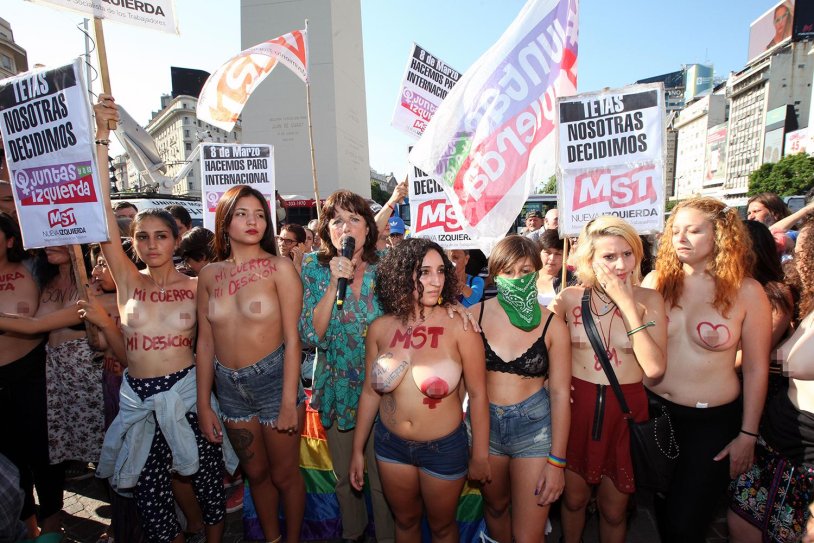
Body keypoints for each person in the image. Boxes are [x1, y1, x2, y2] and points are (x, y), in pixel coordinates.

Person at [92, 95, 236, 543]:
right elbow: (99, 210)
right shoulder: (127, 283)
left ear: (177, 240)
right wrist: (102, 135)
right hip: (137, 401)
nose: (152, 244)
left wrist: (210, 403)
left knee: (208, 484)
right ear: (132, 243)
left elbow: (213, 347)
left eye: (161, 236)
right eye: (142, 237)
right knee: (152, 496)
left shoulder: (198, 287)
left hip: (188, 396)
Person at [642, 197, 771, 543]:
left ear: (720, 236)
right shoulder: (655, 280)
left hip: (711, 423)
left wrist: (747, 434)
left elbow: (758, 369)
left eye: (694, 231)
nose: (680, 239)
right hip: (653, 413)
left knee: (685, 524)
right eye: (676, 231)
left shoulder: (747, 292)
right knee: (658, 504)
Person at [350, 238, 491, 543]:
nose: (436, 280)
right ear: (402, 275)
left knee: (442, 528)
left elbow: (478, 395)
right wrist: (358, 450)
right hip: (390, 447)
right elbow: (370, 393)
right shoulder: (380, 328)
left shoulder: (461, 327)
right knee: (405, 522)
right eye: (424, 272)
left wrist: (479, 454)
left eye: (441, 271)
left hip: (443, 448)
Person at [196, 184, 306, 543]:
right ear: (224, 221)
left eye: (260, 214)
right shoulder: (210, 275)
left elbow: (294, 339)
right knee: (256, 475)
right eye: (242, 213)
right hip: (229, 390)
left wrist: (289, 401)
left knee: (285, 476)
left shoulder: (280, 268)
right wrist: (203, 404)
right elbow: (205, 341)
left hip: (276, 381)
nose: (253, 221)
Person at [551, 216, 667, 543]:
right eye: (609, 256)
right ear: (590, 259)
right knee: (573, 501)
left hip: (626, 414)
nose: (620, 264)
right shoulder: (569, 299)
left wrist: (629, 306)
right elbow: (542, 349)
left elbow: (655, 369)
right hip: (577, 412)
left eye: (628, 254)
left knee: (614, 510)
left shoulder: (650, 301)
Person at [299, 190, 396, 543]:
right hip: (337, 386)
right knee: (346, 479)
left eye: (354, 218)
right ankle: (353, 534)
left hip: (384, 389)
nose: (346, 226)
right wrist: (332, 284)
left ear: (369, 230)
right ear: (327, 231)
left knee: (384, 481)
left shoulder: (388, 266)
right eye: (337, 220)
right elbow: (311, 333)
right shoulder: (313, 267)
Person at [470, 235, 571, 543]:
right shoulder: (474, 316)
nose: (517, 278)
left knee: (529, 536)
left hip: (535, 431)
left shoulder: (554, 326)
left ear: (537, 271)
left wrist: (557, 463)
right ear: (495, 274)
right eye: (508, 271)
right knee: (496, 509)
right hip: (486, 429)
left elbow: (560, 395)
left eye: (525, 270)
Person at [729, 214, 814, 543]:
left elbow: (793, 362)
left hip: (798, 440)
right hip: (779, 430)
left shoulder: (774, 295)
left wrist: (712, 362)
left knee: (792, 531)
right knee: (743, 519)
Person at [0, 213, 62, 538]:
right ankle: (28, 527)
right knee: (8, 460)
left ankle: (53, 524)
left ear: (10, 240)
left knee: (43, 452)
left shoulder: (34, 269)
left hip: (32, 374)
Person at [536, 229, 577, 307]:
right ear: (539, 253)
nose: (552, 258)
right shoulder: (527, 277)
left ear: (566, 256)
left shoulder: (573, 281)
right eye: (547, 253)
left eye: (558, 254)